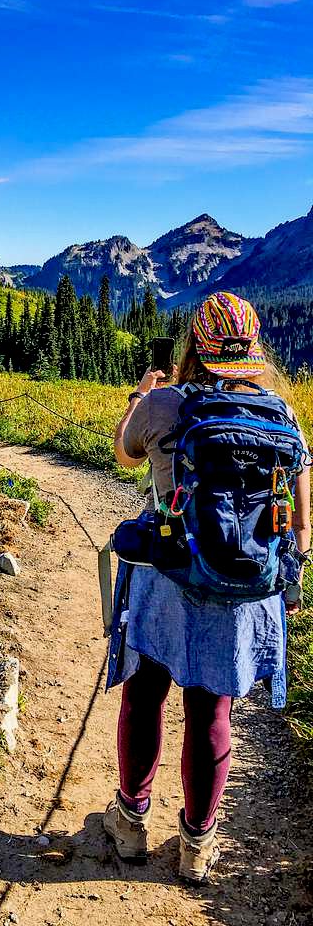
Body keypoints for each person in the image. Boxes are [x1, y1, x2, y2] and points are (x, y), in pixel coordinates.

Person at [103, 292, 310, 882]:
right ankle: (197, 842)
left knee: (145, 696)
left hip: (167, 576)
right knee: (212, 708)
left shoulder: (168, 403)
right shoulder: (280, 414)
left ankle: (130, 820)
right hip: (245, 587)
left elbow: (124, 451)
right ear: (252, 350)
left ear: (196, 345)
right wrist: (294, 575)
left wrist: (139, 399)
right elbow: (299, 510)